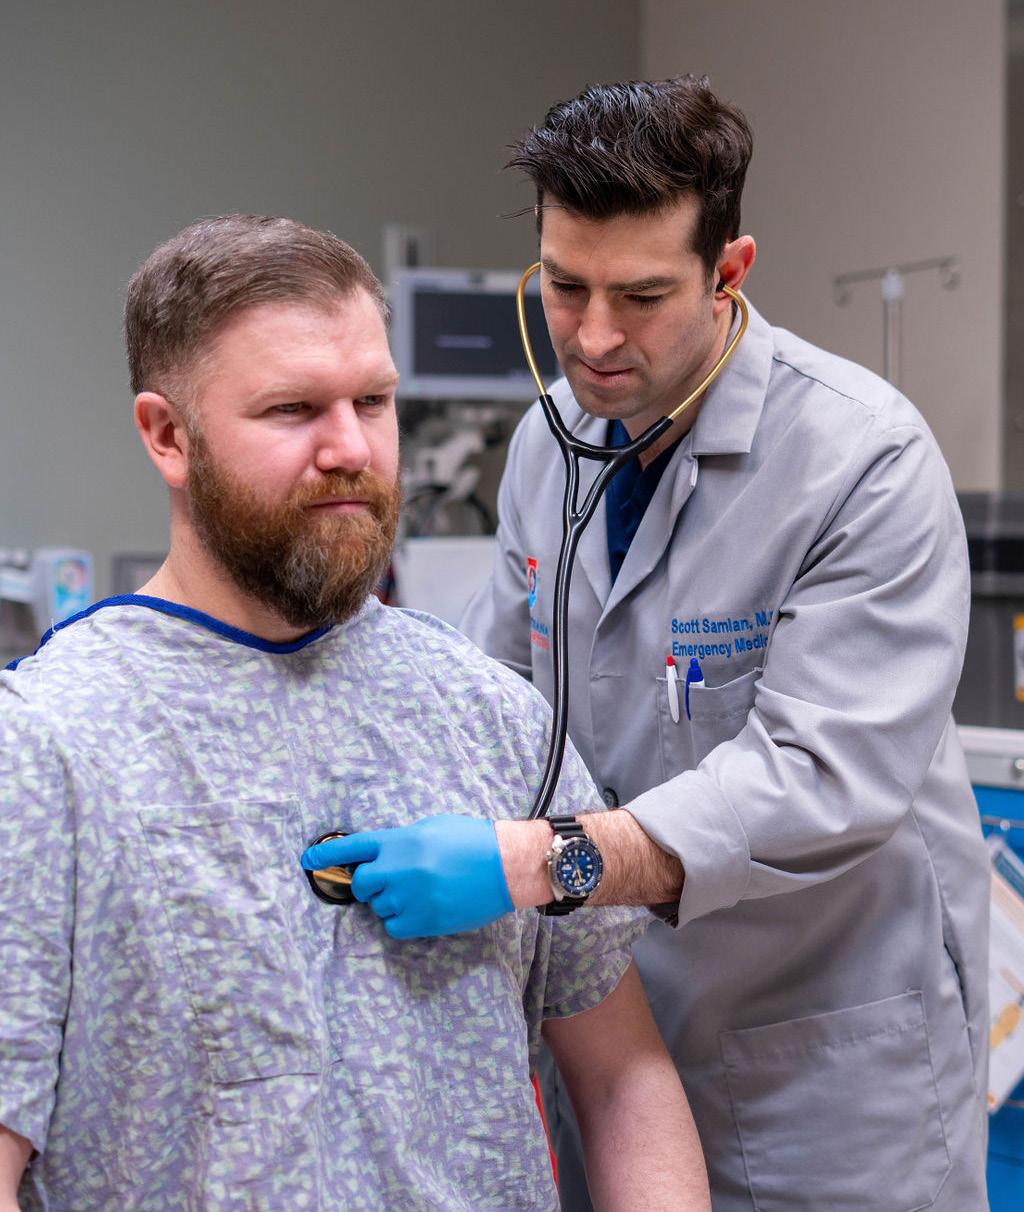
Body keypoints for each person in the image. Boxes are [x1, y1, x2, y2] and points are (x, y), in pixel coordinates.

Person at [309, 79, 992, 1210]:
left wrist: (532, 864)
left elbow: (820, 781)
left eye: (641, 295)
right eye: (564, 286)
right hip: (615, 1042)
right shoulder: (551, 447)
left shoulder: (860, 461)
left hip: (823, 1070)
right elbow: (498, 695)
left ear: (729, 273)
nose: (593, 337)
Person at [0, 215, 712, 1212]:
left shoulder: (488, 715)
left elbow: (622, 1080)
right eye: (293, 410)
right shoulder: (47, 747)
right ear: (168, 435)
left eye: (373, 401)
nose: (350, 448)